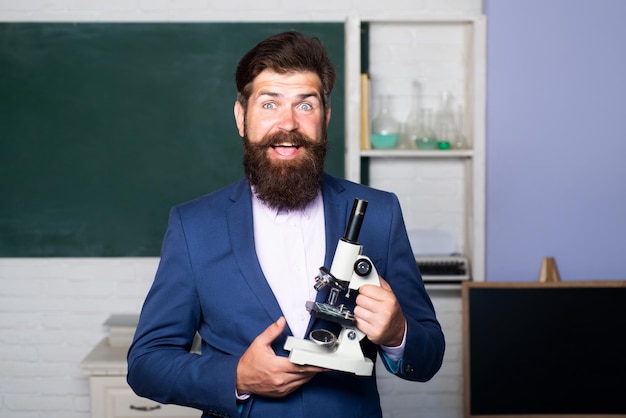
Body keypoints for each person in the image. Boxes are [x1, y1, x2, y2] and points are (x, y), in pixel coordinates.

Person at [127, 31, 445, 418]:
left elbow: (428, 356)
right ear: (242, 117)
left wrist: (398, 334)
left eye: (305, 105)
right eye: (270, 103)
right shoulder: (194, 226)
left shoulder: (380, 213)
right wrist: (237, 377)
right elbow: (146, 364)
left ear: (326, 117)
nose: (288, 123)